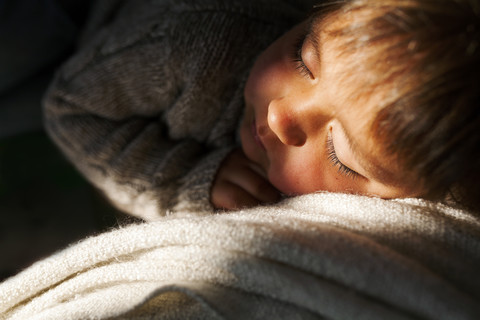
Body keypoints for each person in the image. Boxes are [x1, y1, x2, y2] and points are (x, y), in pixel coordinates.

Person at [43, 0, 480, 221]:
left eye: (339, 155)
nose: (280, 116)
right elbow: (69, 108)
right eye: (302, 59)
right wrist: (180, 178)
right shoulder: (193, 47)